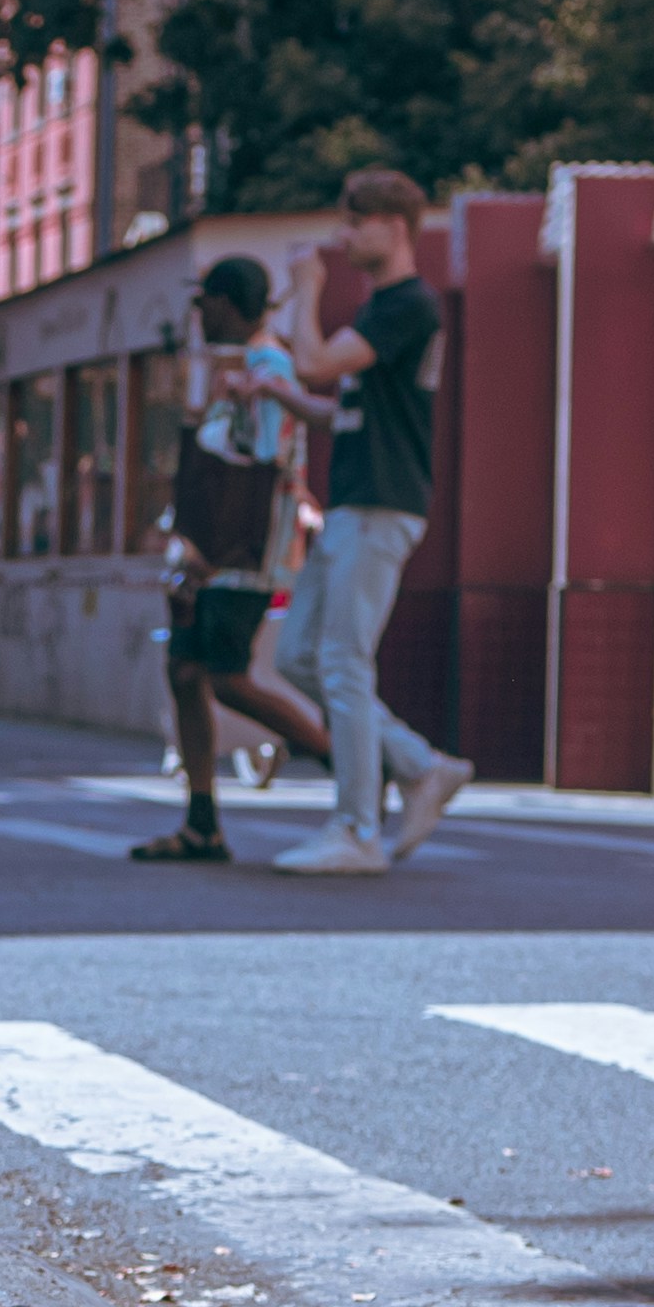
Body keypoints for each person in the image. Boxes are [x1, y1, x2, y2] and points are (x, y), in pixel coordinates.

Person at [265, 169, 473, 873]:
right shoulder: (386, 310)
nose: (343, 236)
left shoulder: (405, 305)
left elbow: (318, 360)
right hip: (353, 500)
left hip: (382, 503)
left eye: (355, 222)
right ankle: (419, 765)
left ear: (395, 226)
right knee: (299, 654)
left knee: (343, 661)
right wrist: (282, 395)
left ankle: (356, 827)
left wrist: (308, 285)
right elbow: (340, 408)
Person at [135, 256, 341, 863]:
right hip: (212, 551)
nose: (198, 315)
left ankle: (345, 760)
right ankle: (202, 822)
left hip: (241, 555)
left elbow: (261, 459)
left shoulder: (267, 365)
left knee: (224, 675)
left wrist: (209, 548)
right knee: (186, 673)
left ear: (227, 303)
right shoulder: (242, 369)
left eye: (205, 303)